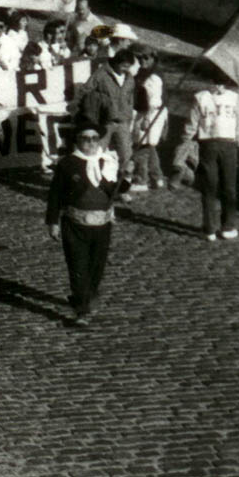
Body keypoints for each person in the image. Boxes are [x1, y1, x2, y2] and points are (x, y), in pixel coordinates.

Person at [45, 119, 130, 327]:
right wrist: (52, 222)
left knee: (96, 267)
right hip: (74, 224)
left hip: (102, 225)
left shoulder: (107, 161)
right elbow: (55, 194)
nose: (91, 143)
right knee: (78, 265)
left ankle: (84, 295)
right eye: (85, 139)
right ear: (77, 140)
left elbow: (117, 190)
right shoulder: (68, 164)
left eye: (94, 138)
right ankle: (81, 310)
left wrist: (125, 176)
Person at [182, 72, 239, 241]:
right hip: (215, 143)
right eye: (216, 82)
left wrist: (185, 142)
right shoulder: (208, 98)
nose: (218, 87)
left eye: (221, 83)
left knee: (221, 186)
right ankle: (217, 226)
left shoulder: (229, 98)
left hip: (220, 143)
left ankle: (217, 227)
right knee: (217, 186)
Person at [79, 49, 138, 188]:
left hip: (123, 122)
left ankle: (122, 187)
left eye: (129, 66)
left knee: (126, 156)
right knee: (95, 152)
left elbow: (130, 98)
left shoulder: (130, 78)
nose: (126, 69)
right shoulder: (101, 74)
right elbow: (85, 91)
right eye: (124, 65)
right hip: (104, 122)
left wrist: (129, 115)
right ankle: (90, 184)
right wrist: (95, 107)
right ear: (117, 62)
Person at [131, 47, 168, 191]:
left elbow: (153, 100)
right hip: (147, 111)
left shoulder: (154, 77)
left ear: (153, 58)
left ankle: (141, 180)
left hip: (150, 112)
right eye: (140, 58)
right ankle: (157, 177)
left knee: (140, 145)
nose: (142, 60)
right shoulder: (143, 73)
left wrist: (146, 118)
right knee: (149, 145)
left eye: (146, 58)